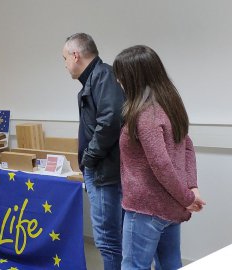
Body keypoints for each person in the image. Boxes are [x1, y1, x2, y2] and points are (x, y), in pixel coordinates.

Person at [113, 45, 205, 270]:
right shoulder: (169, 106)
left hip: (145, 210)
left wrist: (187, 196)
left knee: (134, 266)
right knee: (170, 264)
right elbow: (188, 147)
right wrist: (191, 189)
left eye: (121, 76)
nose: (118, 82)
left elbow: (161, 164)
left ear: (135, 77)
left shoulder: (145, 114)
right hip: (169, 209)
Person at [62, 33, 124, 270]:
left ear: (76, 55)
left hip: (104, 172)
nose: (65, 65)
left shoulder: (103, 76)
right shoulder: (95, 79)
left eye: (65, 58)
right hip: (101, 170)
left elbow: (110, 121)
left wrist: (89, 158)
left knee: (107, 241)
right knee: (109, 239)